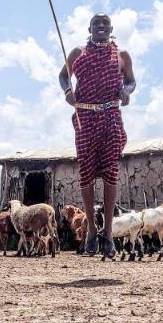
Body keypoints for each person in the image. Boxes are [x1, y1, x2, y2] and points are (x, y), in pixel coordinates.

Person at [58, 13, 135, 258]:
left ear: (111, 28)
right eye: (96, 23)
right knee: (86, 173)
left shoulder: (121, 55)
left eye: (105, 23)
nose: (101, 26)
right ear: (89, 28)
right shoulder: (78, 52)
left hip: (111, 115)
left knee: (111, 172)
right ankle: (91, 227)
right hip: (85, 116)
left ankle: (108, 232)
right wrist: (68, 90)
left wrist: (126, 90)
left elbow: (132, 81)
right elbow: (63, 75)